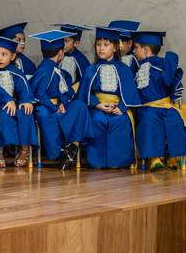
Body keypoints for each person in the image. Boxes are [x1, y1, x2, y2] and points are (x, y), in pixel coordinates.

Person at [29, 30, 93, 169]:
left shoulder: (55, 68)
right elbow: (39, 94)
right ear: (60, 53)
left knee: (79, 106)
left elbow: (64, 90)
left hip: (58, 105)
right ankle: (59, 153)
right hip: (46, 106)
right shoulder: (45, 69)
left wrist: (63, 103)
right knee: (44, 115)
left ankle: (72, 146)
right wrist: (54, 107)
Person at [78, 26, 141, 169]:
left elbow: (130, 93)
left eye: (106, 45)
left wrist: (122, 108)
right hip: (98, 108)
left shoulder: (124, 69)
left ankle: (118, 162)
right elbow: (84, 93)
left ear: (115, 47)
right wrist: (97, 104)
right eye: (98, 44)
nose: (101, 48)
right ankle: (98, 162)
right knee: (97, 121)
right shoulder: (91, 70)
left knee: (121, 121)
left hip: (118, 107)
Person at [132, 30, 186, 171]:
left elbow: (170, 83)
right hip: (147, 107)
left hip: (166, 105)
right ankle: (154, 158)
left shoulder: (164, 65)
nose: (134, 51)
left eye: (136, 47)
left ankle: (171, 155)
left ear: (146, 50)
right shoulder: (136, 68)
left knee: (174, 119)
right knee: (149, 119)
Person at [0, 32, 38, 168]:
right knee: (4, 114)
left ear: (12, 56)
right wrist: (8, 99)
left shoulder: (16, 71)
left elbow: (23, 88)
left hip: (14, 104)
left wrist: (25, 100)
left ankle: (24, 149)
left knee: (26, 112)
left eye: (4, 54)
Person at [54, 23, 92, 90]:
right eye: (61, 40)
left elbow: (86, 80)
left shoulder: (81, 59)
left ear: (76, 43)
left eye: (66, 41)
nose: (62, 44)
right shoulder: (56, 55)